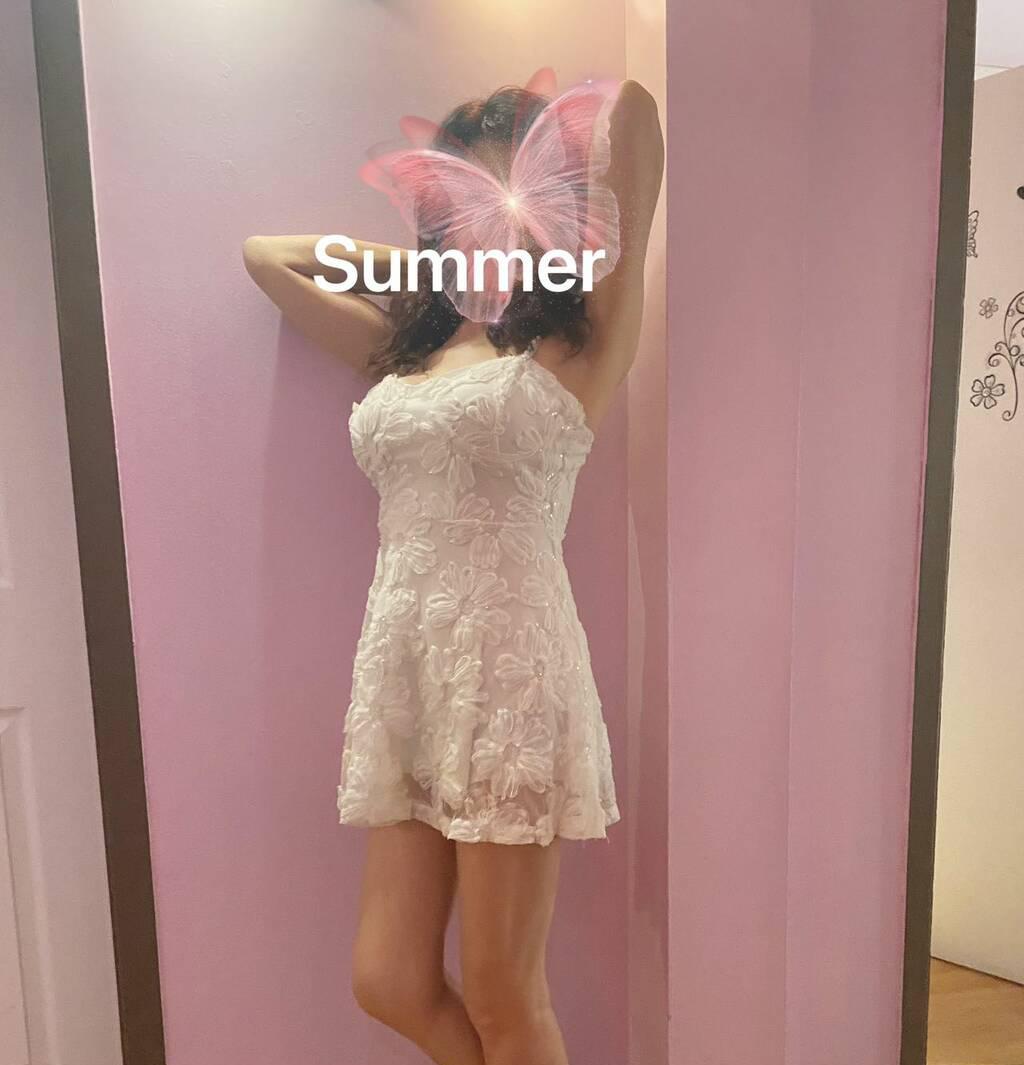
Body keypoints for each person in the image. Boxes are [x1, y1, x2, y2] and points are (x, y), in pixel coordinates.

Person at [242, 76, 663, 1065]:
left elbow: (636, 117)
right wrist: (434, 267)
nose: (485, 208)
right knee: (387, 977)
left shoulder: (580, 340)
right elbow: (270, 259)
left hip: (509, 671)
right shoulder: (409, 354)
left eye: (502, 187)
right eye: (461, 193)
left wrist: (543, 201)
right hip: (409, 673)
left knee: (505, 994)